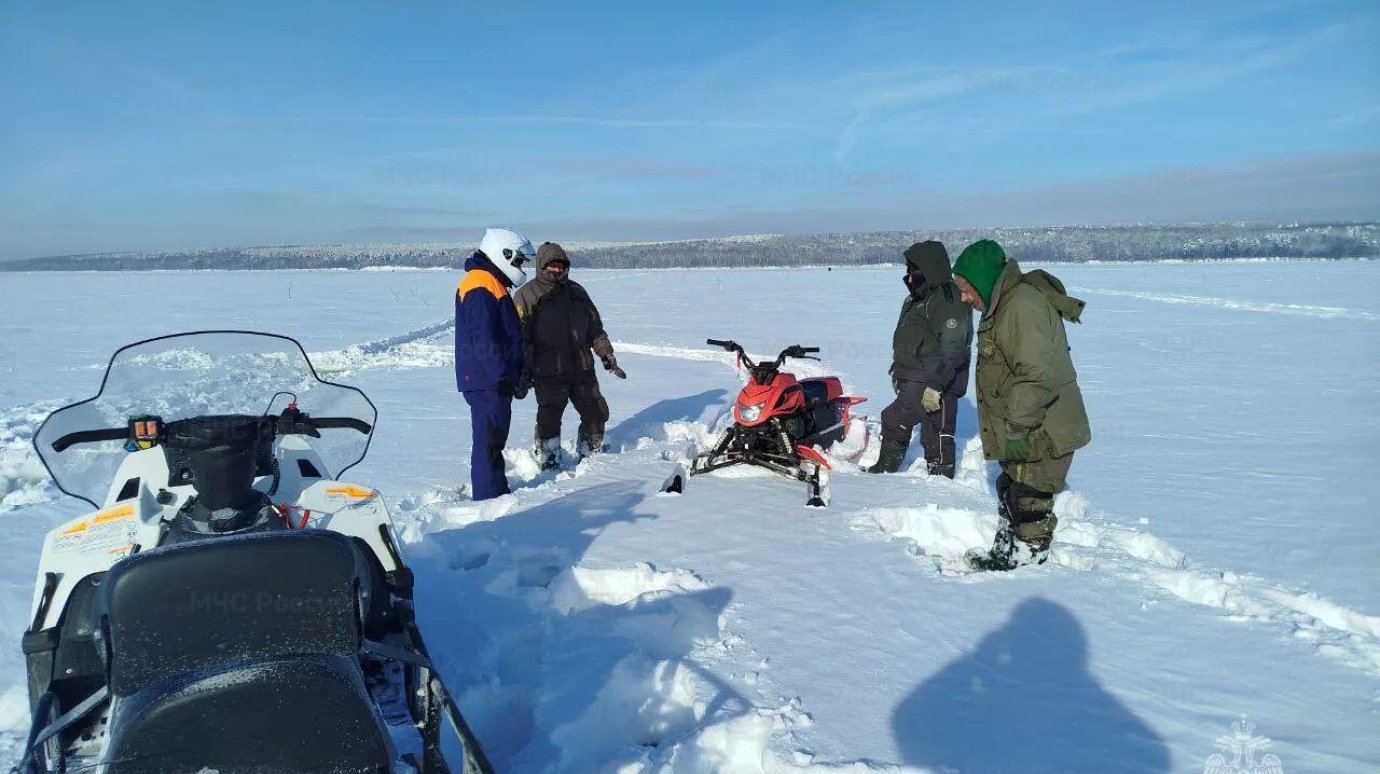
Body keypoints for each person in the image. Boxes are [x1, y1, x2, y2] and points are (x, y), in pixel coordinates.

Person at [950, 239, 1091, 570]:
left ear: (984, 280)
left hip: (1042, 429)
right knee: (1010, 488)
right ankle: (1006, 555)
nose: (964, 298)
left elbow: (1038, 375)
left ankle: (1026, 569)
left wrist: (1016, 426)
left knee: (1029, 500)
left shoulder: (1021, 308)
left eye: (966, 289)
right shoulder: (1002, 305)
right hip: (1025, 426)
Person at [513, 242, 625, 470]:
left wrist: (606, 354)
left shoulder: (577, 292)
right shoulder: (527, 294)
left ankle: (591, 453)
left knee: (597, 412)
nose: (556, 270)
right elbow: (519, 339)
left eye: (560, 265)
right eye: (551, 266)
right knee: (549, 419)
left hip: (582, 368)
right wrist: (522, 371)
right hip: (549, 370)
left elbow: (595, 328)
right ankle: (549, 457)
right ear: (541, 266)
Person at [868, 240, 972, 478]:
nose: (908, 277)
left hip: (933, 377)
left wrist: (936, 385)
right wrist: (899, 368)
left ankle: (936, 479)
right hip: (914, 375)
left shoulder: (948, 299)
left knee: (913, 423)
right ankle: (892, 471)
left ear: (928, 269)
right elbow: (911, 339)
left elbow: (954, 347)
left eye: (913, 270)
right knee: (929, 427)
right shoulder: (917, 299)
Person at [455, 227, 534, 500]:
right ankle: (488, 500)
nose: (521, 266)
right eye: (519, 261)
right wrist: (502, 376)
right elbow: (483, 338)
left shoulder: (490, 281)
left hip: (491, 379)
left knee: (494, 441)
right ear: (504, 254)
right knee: (488, 444)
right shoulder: (480, 283)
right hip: (487, 381)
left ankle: (496, 492)